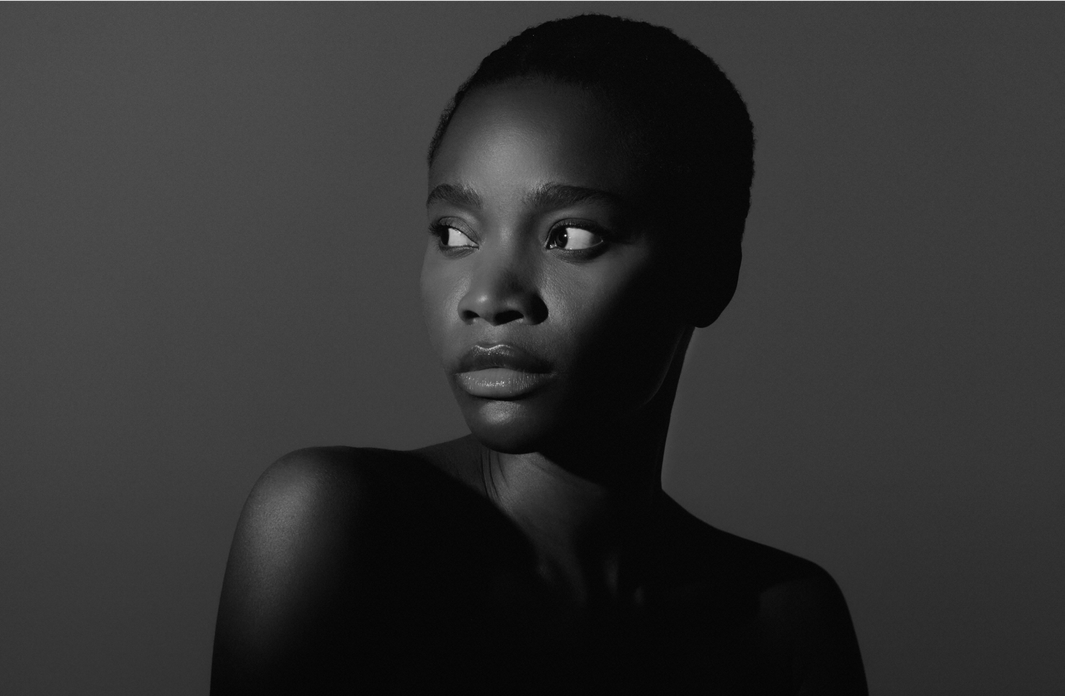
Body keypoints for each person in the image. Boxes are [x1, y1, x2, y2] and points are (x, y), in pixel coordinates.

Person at [211, 14, 867, 694]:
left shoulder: (784, 619)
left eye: (571, 237)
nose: (488, 297)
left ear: (709, 273)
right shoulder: (337, 524)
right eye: (455, 234)